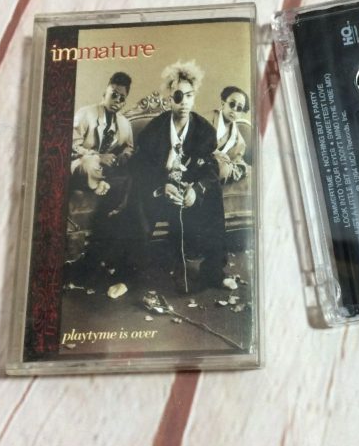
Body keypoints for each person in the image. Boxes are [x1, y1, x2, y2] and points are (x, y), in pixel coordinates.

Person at [128, 60, 226, 292]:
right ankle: (129, 274)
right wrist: (162, 187)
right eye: (178, 97)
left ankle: (214, 273)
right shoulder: (153, 130)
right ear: (170, 98)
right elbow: (140, 168)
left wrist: (197, 190)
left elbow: (210, 168)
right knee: (136, 198)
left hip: (188, 194)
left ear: (194, 97)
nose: (184, 103)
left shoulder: (204, 131)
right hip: (160, 193)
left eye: (189, 96)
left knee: (214, 196)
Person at [71, 72, 134, 195]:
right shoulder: (85, 113)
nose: (117, 100)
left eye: (121, 98)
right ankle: (100, 184)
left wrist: (123, 156)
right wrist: (99, 157)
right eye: (114, 95)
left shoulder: (125, 124)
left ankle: (102, 184)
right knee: (89, 164)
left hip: (107, 169)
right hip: (85, 163)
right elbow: (72, 146)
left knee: (131, 172)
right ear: (104, 94)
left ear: (124, 103)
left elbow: (129, 148)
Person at [206, 86, 250, 183]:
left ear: (241, 113)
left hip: (217, 167)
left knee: (226, 169)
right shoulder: (208, 119)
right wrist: (216, 153)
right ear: (223, 103)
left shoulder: (236, 136)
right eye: (232, 104)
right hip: (200, 160)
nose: (234, 109)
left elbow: (237, 158)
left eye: (239, 108)